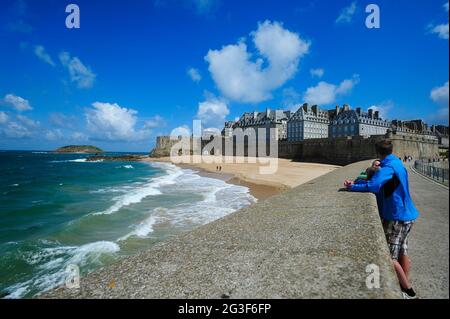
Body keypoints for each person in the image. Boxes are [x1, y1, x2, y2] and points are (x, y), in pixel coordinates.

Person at [344, 139, 420, 299]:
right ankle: (402, 286)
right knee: (402, 252)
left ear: (378, 153)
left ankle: (408, 291)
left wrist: (352, 187)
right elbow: (385, 185)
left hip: (396, 217)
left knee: (388, 256)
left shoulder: (388, 167)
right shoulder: (397, 163)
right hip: (408, 215)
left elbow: (373, 186)